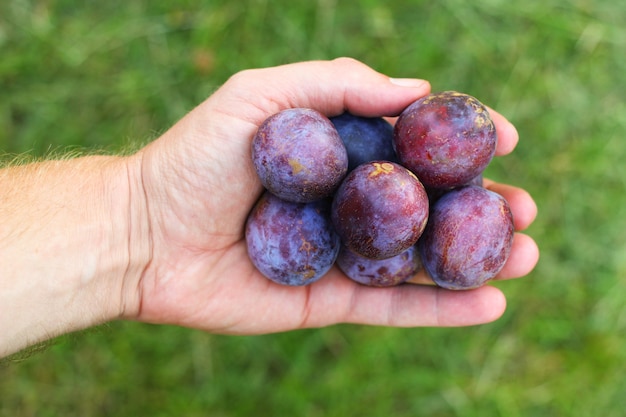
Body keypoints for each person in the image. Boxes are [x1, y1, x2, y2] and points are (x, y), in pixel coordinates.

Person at [0, 58, 539, 359]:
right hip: (328, 230)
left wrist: (138, 227)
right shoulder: (350, 176)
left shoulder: (385, 189)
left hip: (347, 236)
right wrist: (141, 219)